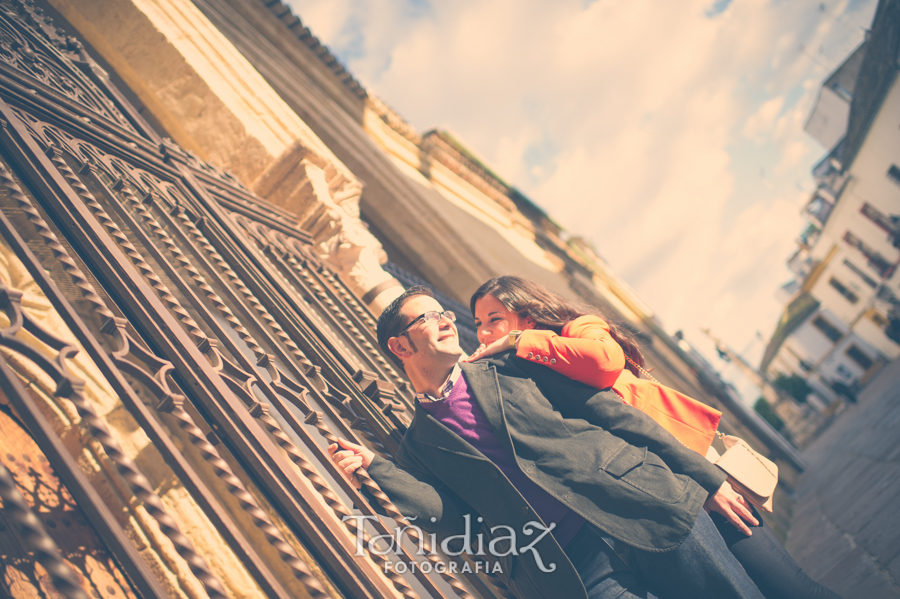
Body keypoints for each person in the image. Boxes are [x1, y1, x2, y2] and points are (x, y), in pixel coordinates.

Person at [330, 285, 766, 599]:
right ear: (399, 346)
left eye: (443, 312)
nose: (445, 320)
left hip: (644, 506)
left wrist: (706, 479)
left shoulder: (510, 364)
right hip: (578, 570)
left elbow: (612, 414)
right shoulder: (419, 445)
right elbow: (448, 516)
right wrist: (377, 467)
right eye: (427, 317)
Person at [465, 275, 843, 599]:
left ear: (526, 313)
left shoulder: (576, 329)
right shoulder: (519, 374)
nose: (483, 333)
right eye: (478, 323)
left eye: (493, 319)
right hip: (658, 494)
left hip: (694, 469)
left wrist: (519, 342)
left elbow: (603, 362)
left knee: (792, 588)